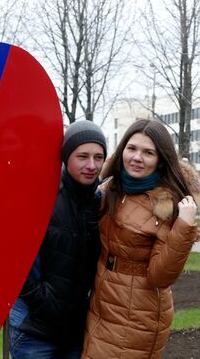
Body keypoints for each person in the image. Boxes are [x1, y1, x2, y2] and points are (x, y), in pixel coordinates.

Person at [82, 119, 200, 358]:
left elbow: (160, 276)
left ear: (160, 159)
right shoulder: (111, 188)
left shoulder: (166, 204)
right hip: (101, 302)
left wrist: (184, 228)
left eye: (148, 152)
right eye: (132, 148)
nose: (137, 157)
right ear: (122, 149)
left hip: (137, 313)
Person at [9, 120, 107, 359]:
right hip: (34, 330)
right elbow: (13, 258)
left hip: (74, 332)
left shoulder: (101, 201)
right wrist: (44, 302)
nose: (91, 165)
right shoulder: (41, 196)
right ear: (66, 157)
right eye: (82, 156)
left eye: (99, 157)